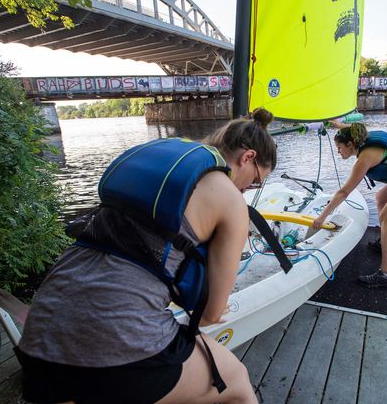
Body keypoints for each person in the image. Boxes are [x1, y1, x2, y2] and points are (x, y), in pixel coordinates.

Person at [16, 108, 277, 404]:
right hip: (118, 351)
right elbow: (209, 316)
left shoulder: (163, 165)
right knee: (237, 382)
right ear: (248, 157)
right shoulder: (230, 200)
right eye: (255, 181)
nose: (247, 190)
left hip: (39, 341)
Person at [312, 121, 387, 288]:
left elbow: (344, 192)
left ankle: (386, 274)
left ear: (350, 144)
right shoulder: (361, 139)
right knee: (381, 197)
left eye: (340, 148)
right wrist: (336, 124)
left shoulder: (364, 158)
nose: (338, 152)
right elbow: (354, 129)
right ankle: (384, 243)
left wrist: (322, 217)